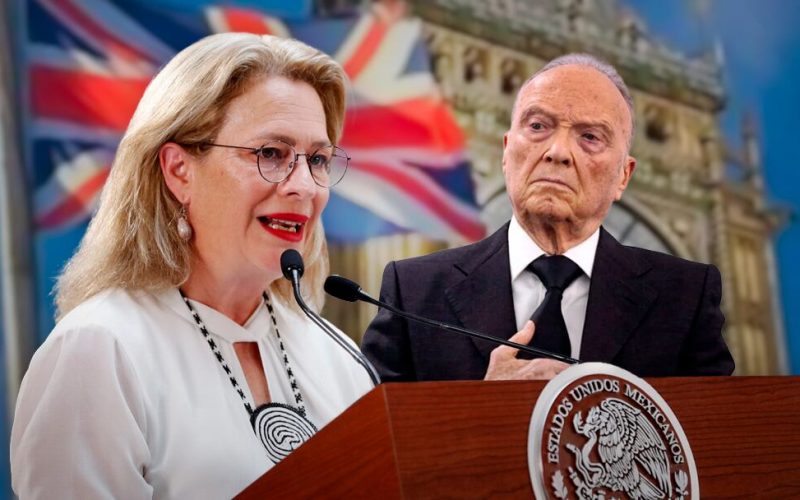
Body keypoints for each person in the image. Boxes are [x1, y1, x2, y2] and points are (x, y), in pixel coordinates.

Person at [11, 33, 372, 499]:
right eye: (270, 153)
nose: (304, 185)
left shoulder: (338, 356)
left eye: (318, 159)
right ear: (179, 170)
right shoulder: (100, 349)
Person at [361, 53, 734, 382]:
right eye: (538, 126)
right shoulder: (413, 292)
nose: (558, 152)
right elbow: (372, 435)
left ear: (624, 175)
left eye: (590, 137)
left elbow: (715, 435)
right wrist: (481, 410)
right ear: (507, 151)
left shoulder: (685, 298)